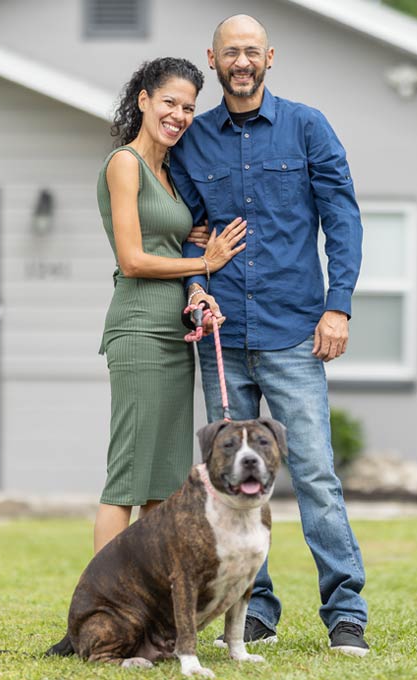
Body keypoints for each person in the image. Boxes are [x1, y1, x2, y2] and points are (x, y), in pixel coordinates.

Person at [168, 15, 370, 656]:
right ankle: (253, 610)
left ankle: (346, 611)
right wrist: (195, 289)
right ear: (214, 59)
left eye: (251, 51)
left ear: (270, 57)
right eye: (231, 53)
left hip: (291, 334)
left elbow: (343, 218)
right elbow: (185, 235)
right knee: (230, 483)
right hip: (222, 338)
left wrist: (337, 307)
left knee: (314, 473)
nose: (242, 62)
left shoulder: (308, 127)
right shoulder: (193, 142)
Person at [93, 57, 246, 555]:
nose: (179, 115)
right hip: (138, 333)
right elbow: (134, 260)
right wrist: (206, 262)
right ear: (143, 100)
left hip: (176, 338)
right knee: (128, 478)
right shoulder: (125, 164)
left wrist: (199, 289)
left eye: (188, 107)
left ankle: (151, 615)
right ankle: (101, 613)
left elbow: (173, 243)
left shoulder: (170, 174)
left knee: (163, 481)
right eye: (169, 103)